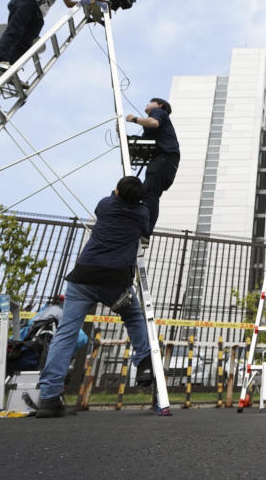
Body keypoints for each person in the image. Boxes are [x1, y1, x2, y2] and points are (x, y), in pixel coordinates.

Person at [35, 176, 153, 418]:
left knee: (66, 333)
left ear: (117, 192)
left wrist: (117, 193)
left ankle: (48, 397)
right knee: (133, 316)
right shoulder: (141, 213)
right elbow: (145, 230)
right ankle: (144, 364)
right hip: (116, 282)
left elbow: (111, 201)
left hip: (83, 277)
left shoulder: (105, 205)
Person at [126, 98, 180, 235]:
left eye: (151, 101)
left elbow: (153, 123)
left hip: (165, 158)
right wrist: (126, 138)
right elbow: (145, 143)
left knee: (150, 193)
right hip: (164, 161)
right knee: (147, 193)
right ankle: (142, 229)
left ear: (159, 105)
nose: (147, 103)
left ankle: (145, 232)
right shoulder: (152, 127)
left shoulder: (159, 112)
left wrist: (134, 119)